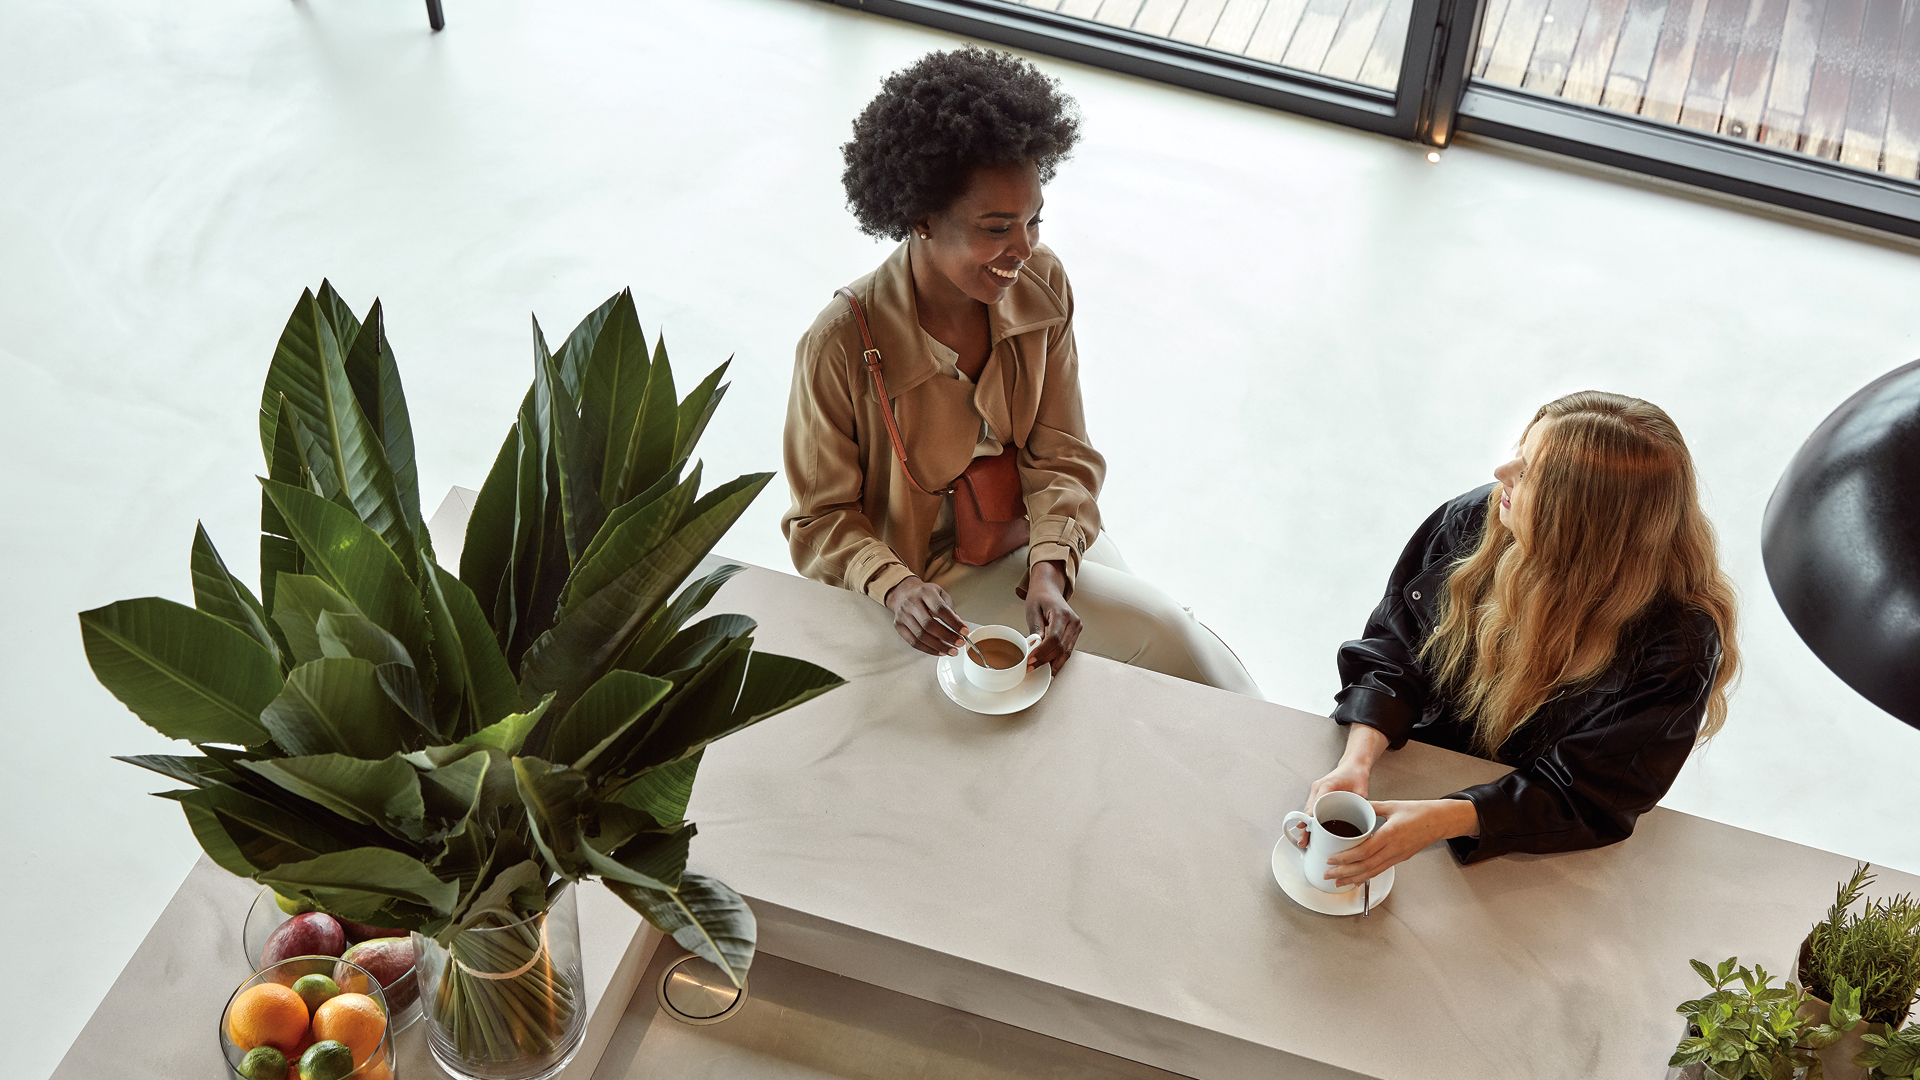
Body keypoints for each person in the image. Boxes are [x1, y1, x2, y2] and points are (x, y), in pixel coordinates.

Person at [781, 47, 1259, 696]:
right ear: (921, 218)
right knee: (1161, 633)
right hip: (929, 575)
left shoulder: (1041, 280)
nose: (1023, 248)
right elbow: (819, 518)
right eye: (996, 227)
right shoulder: (840, 343)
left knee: (1167, 635)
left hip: (1030, 521)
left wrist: (1049, 568)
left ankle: (1269, 748)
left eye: (1033, 220)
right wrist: (896, 587)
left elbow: (1062, 451)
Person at [1300, 391, 1739, 885]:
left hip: (1517, 835)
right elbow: (1394, 650)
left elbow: (1593, 795)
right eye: (1519, 453)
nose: (1500, 472)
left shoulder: (1678, 644)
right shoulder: (1472, 520)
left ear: (1582, 517)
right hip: (1402, 770)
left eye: (1529, 473)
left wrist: (1447, 818)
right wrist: (1357, 761)